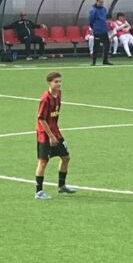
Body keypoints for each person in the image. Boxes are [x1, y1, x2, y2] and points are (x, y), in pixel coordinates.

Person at [34, 71, 75, 200]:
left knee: (66, 157)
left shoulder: (58, 94)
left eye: (59, 81)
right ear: (49, 83)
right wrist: (51, 136)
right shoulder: (45, 99)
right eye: (56, 82)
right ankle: (38, 191)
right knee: (43, 162)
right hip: (45, 135)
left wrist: (55, 134)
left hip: (55, 132)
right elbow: (41, 119)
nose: (59, 84)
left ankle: (61, 185)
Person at [87, 0, 112, 65]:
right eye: (100, 2)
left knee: (107, 45)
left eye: (102, 2)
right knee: (96, 46)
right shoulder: (93, 10)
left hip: (104, 30)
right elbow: (91, 20)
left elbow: (105, 18)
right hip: (97, 31)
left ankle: (105, 60)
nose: (101, 3)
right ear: (97, 1)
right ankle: (94, 61)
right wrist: (94, 27)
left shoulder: (103, 9)